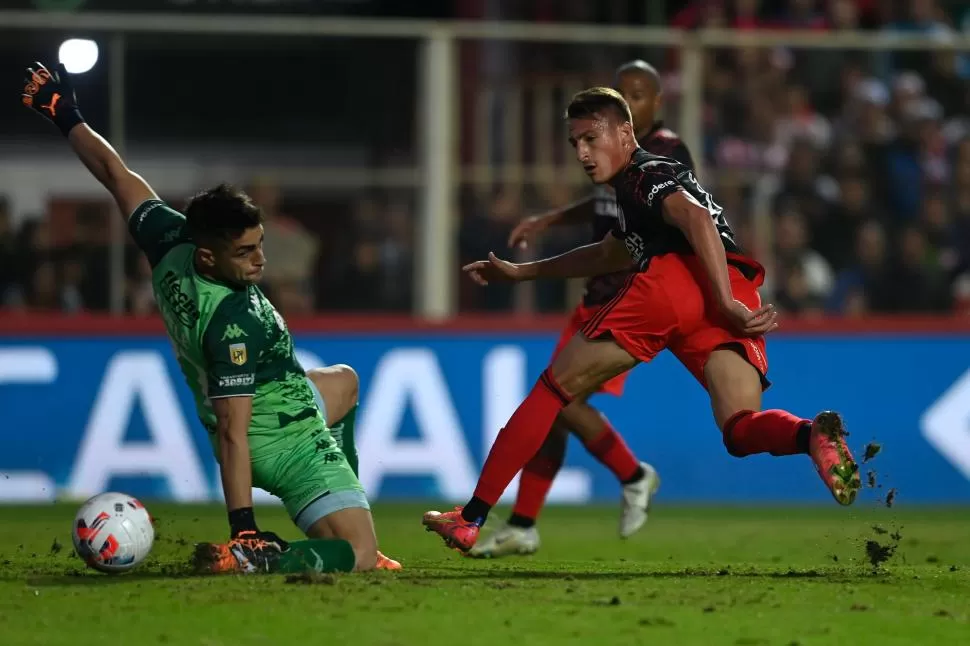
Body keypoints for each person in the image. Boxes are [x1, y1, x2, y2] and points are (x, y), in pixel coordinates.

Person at [423, 87, 860, 553]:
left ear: (626, 131)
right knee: (739, 428)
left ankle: (470, 518)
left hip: (684, 284)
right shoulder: (638, 195)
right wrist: (525, 272)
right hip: (731, 286)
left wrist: (721, 300)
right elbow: (612, 251)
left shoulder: (645, 173)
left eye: (592, 138)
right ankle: (810, 434)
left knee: (554, 392)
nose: (584, 154)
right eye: (576, 144)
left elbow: (695, 220)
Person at [21, 62, 399, 573]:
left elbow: (116, 174)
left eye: (259, 244)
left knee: (344, 382)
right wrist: (243, 524)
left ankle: (340, 497)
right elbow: (232, 432)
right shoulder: (232, 321)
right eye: (245, 253)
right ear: (208, 258)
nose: (259, 260)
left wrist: (64, 114)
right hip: (282, 438)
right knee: (355, 558)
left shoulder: (170, 239)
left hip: (282, 397)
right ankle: (259, 556)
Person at [469, 60, 692, 559]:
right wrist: (552, 218)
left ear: (656, 104)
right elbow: (604, 205)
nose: (629, 101)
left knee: (561, 400)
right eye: (623, 92)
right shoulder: (607, 150)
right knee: (552, 407)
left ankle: (634, 474)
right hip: (596, 290)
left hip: (630, 294)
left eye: (639, 94)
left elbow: (676, 216)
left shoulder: (667, 153)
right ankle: (524, 523)